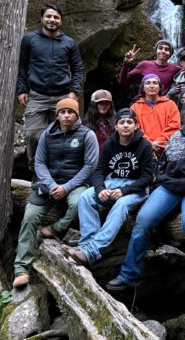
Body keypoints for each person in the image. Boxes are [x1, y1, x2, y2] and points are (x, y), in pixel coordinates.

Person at [106, 99, 185, 302]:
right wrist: (158, 186)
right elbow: (163, 165)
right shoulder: (175, 136)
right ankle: (129, 275)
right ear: (184, 114)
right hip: (170, 187)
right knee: (143, 219)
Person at [13, 98, 98, 289]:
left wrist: (66, 187)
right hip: (48, 185)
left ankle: (57, 228)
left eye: (70, 112)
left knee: (78, 204)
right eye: (63, 112)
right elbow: (39, 162)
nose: (66, 115)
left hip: (75, 184)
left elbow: (90, 166)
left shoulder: (87, 135)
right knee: (29, 217)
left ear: (77, 115)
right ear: (57, 114)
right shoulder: (47, 134)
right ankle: (21, 269)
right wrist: (51, 185)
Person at [66, 108, 154, 266]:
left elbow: (147, 178)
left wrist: (124, 191)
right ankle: (85, 246)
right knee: (85, 197)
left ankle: (92, 251)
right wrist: (100, 189)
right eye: (122, 122)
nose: (126, 125)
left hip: (136, 188)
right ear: (116, 126)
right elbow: (98, 171)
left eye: (129, 122)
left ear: (136, 126)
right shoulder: (109, 144)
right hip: (113, 182)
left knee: (121, 205)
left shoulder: (145, 146)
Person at [16, 5, 84, 173]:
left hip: (62, 97)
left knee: (62, 136)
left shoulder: (69, 43)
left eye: (56, 17)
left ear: (61, 21)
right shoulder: (30, 40)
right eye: (49, 16)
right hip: (37, 96)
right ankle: (36, 172)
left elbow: (77, 69)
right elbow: (22, 66)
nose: (52, 20)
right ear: (42, 19)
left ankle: (59, 172)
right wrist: (22, 90)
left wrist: (74, 92)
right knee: (32, 135)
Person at [119, 40, 185, 100]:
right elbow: (123, 80)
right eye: (160, 48)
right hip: (142, 102)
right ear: (156, 50)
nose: (163, 51)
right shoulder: (144, 64)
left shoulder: (175, 69)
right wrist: (126, 63)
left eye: (167, 49)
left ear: (171, 54)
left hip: (161, 104)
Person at [129, 74, 181, 156]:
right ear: (142, 87)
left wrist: (160, 142)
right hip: (142, 150)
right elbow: (134, 129)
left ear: (160, 87)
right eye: (148, 83)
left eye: (155, 83)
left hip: (167, 150)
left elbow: (175, 126)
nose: (152, 86)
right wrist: (149, 144)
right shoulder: (135, 107)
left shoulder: (170, 105)